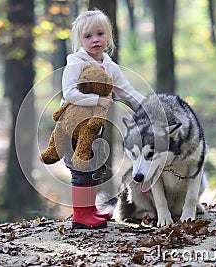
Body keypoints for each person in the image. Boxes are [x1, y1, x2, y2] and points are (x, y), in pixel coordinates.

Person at [61, 10, 145, 229]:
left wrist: (150, 106)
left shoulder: (109, 67)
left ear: (108, 36)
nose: (95, 39)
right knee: (80, 169)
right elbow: (69, 93)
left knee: (92, 166)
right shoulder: (75, 65)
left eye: (100, 33)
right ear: (80, 40)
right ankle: (80, 215)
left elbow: (128, 92)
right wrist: (97, 100)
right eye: (88, 36)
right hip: (72, 128)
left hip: (93, 127)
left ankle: (90, 209)